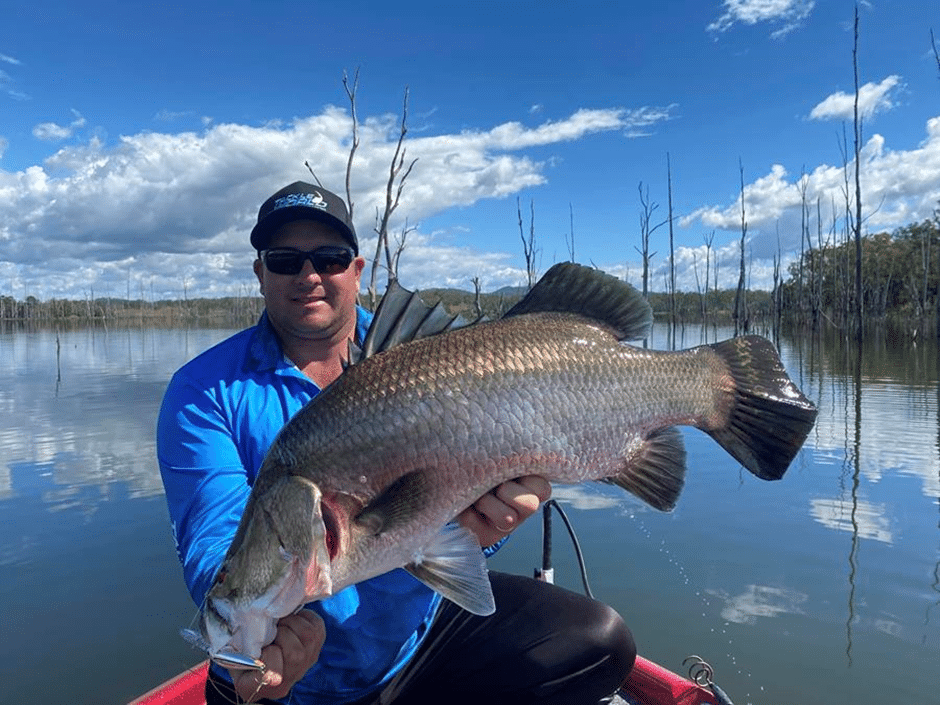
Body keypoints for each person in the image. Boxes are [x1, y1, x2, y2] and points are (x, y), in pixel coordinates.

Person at [157, 181, 636, 704]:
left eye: (331, 258)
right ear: (260, 274)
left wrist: (488, 528)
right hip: (301, 678)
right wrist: (246, 618)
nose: (310, 275)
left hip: (421, 635)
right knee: (236, 691)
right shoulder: (202, 391)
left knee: (599, 641)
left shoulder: (426, 354)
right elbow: (213, 534)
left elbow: (454, 520)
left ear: (357, 271)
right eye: (285, 260)